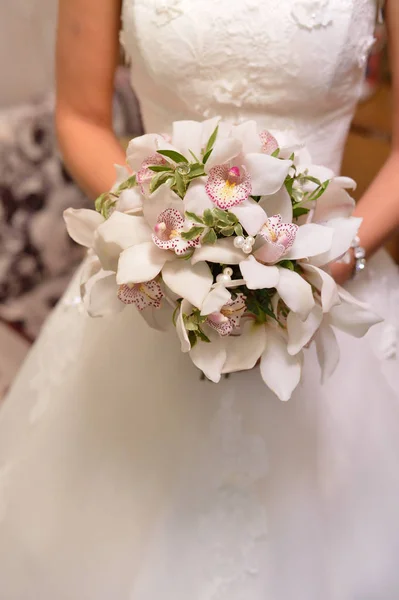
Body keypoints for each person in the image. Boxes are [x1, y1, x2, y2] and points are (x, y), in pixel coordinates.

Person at [0, 0, 399, 598]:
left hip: (328, 278)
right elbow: (80, 116)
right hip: (159, 278)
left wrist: (321, 259)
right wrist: (171, 237)